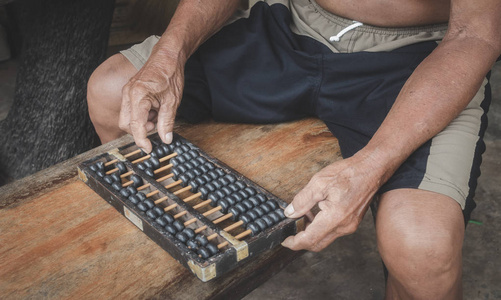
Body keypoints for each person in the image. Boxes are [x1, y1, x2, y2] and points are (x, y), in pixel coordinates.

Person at [87, 0, 501, 298]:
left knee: (422, 249)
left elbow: (476, 34)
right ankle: (173, 264)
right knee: (112, 91)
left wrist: (372, 166)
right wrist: (167, 58)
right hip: (292, 20)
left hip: (422, 54)